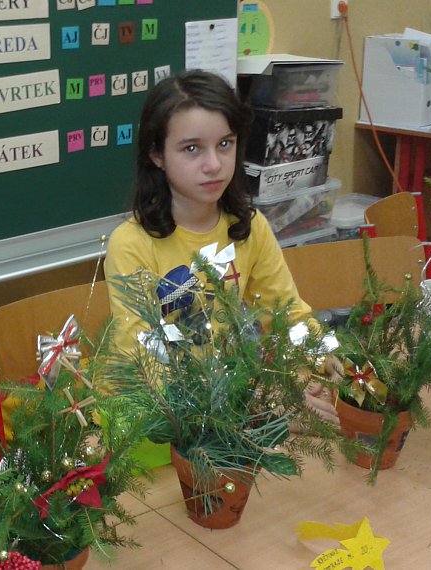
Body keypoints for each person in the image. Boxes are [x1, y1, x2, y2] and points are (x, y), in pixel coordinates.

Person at [104, 69, 337, 424]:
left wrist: (325, 355)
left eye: (225, 144)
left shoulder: (249, 227)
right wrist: (259, 402)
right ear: (156, 154)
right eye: (192, 149)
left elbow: (288, 314)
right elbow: (144, 364)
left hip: (225, 401)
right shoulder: (131, 244)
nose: (214, 165)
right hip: (146, 416)